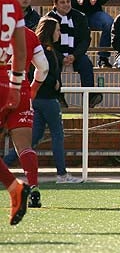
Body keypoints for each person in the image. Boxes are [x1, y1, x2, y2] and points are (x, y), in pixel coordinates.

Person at [31, 17, 82, 185]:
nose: (59, 33)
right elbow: (42, 71)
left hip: (38, 99)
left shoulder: (42, 48)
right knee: (58, 136)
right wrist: (54, 82)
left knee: (33, 137)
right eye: (58, 30)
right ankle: (62, 174)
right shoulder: (46, 50)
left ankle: (6, 163)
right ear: (50, 30)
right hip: (48, 99)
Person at [3, 22, 48, 206]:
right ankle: (33, 188)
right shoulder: (28, 34)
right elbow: (43, 67)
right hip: (20, 90)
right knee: (24, 147)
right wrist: (34, 89)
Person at [0, 0, 31, 225]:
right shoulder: (11, 3)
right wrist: (14, 86)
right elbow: (20, 53)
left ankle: (14, 187)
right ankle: (14, 188)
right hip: (4, 80)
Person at [47, 0, 101, 108]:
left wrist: (74, 56)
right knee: (52, 63)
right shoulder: (48, 19)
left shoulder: (80, 17)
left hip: (75, 54)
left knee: (86, 64)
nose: (66, 4)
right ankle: (58, 97)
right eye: (62, 2)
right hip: (56, 54)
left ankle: (90, 97)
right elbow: (46, 42)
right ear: (55, 4)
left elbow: (85, 39)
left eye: (68, 1)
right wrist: (61, 57)